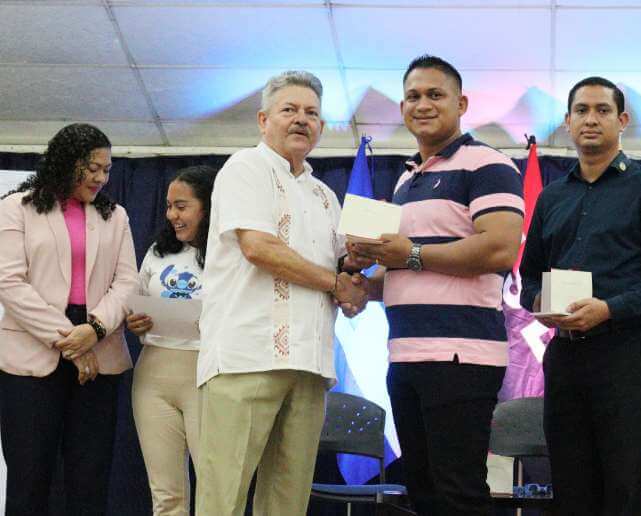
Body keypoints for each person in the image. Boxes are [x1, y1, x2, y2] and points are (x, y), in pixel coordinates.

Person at [349, 55, 524, 516]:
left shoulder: (489, 163)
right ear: (402, 108)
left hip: (460, 356)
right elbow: (407, 268)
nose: (422, 104)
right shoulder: (407, 179)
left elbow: (499, 249)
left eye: (434, 94)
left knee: (458, 494)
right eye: (413, 96)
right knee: (423, 492)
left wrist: (410, 253)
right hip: (405, 355)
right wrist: (361, 287)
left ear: (461, 104)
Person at [195, 71, 367, 516]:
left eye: (311, 113)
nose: (301, 120)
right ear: (263, 120)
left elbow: (347, 264)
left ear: (321, 127)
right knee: (223, 498)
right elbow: (259, 248)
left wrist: (359, 276)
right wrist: (335, 283)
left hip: (309, 365)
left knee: (288, 503)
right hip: (247, 358)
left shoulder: (326, 196)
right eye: (289, 110)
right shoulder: (245, 168)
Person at [518, 76, 641, 516]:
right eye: (581, 110)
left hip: (626, 355)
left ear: (622, 120)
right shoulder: (551, 197)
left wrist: (609, 309)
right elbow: (528, 276)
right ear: (567, 121)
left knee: (625, 486)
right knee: (570, 487)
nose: (590, 119)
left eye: (602, 110)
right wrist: (540, 304)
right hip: (564, 356)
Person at [0, 123, 138, 515]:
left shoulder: (116, 216)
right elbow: (9, 282)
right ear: (66, 162)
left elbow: (127, 282)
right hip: (31, 352)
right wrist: (71, 341)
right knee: (29, 477)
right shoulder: (17, 207)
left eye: (106, 169)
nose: (101, 177)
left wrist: (94, 330)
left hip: (99, 348)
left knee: (89, 477)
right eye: (92, 168)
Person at [127, 165, 217, 515]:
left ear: (207, 207)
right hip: (153, 373)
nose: (171, 215)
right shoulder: (158, 251)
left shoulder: (230, 253)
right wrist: (134, 320)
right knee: (166, 495)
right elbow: (134, 299)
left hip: (207, 374)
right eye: (168, 206)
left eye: (181, 206)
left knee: (216, 490)